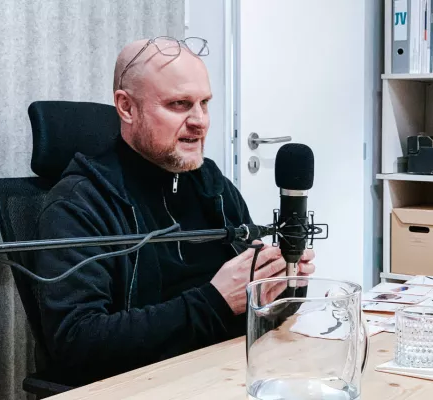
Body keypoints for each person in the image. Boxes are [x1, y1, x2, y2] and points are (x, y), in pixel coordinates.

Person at [32, 36, 316, 386]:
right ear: (126, 107)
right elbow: (76, 343)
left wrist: (281, 286)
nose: (200, 121)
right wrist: (214, 302)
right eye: (180, 104)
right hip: (142, 387)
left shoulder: (213, 185)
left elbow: (252, 311)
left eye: (204, 103)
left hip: (228, 371)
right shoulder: (79, 203)